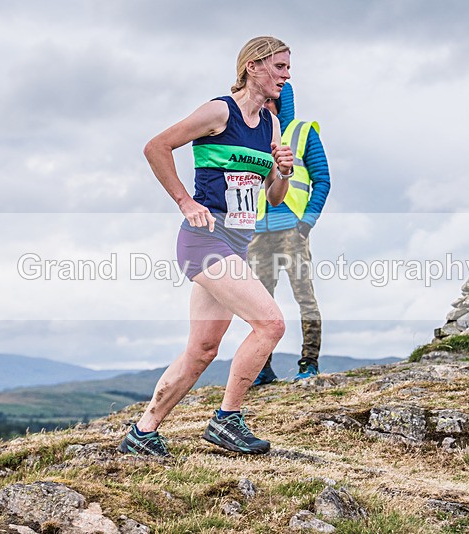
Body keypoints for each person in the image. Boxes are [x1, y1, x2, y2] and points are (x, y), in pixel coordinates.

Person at [118, 36, 294, 457]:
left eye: (288, 69)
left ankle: (142, 433)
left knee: (201, 350)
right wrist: (185, 200)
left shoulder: (270, 124)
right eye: (281, 67)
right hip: (204, 239)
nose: (287, 77)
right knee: (270, 324)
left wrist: (283, 172)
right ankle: (226, 420)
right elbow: (156, 146)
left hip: (236, 244)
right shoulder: (219, 111)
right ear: (253, 66)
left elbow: (273, 197)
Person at [249, 82, 331, 386]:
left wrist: (306, 222)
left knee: (304, 297)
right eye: (263, 100)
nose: (266, 105)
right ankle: (262, 368)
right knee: (259, 302)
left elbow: (322, 180)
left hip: (293, 230)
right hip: (258, 232)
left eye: (271, 100)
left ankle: (309, 363)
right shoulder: (253, 132)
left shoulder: (302, 131)